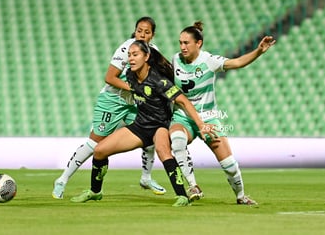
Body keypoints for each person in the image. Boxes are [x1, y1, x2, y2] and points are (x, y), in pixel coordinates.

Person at [70, 40, 217, 206]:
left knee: (164, 152)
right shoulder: (131, 75)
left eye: (135, 55)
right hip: (140, 126)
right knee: (99, 151)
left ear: (146, 56)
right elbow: (114, 80)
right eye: (129, 55)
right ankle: (95, 192)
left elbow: (183, 100)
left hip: (159, 126)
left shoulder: (158, 81)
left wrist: (200, 124)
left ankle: (182, 196)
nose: (131, 59)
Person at [52, 17, 166, 199]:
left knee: (151, 139)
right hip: (113, 100)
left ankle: (146, 177)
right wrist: (135, 89)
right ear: (134, 31)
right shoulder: (126, 49)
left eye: (147, 32)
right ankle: (62, 180)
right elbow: (110, 77)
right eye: (139, 31)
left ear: (153, 35)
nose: (142, 35)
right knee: (94, 144)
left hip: (135, 103)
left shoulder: (154, 52)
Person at [170, 21, 276, 204]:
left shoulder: (209, 61)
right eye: (180, 42)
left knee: (229, 165)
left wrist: (258, 51)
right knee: (177, 140)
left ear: (199, 43)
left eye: (186, 43)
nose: (182, 47)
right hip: (183, 116)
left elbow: (237, 62)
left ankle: (241, 196)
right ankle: (193, 186)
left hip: (208, 118)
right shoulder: (175, 60)